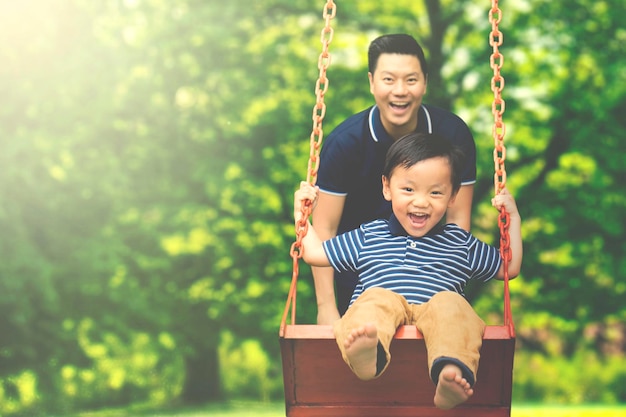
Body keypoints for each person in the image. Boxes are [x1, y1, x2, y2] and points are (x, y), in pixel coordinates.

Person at [294, 132, 522, 410]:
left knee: (452, 305)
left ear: (452, 196)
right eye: (409, 190)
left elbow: (508, 267)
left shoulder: (459, 241)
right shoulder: (371, 235)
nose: (421, 202)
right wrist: (302, 215)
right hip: (382, 316)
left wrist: (513, 220)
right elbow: (316, 254)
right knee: (376, 298)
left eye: (435, 192)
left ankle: (450, 373)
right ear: (387, 188)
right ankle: (367, 354)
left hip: (437, 318)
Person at [313, 33, 477, 324]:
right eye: (388, 79)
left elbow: (458, 220)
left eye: (411, 80)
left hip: (432, 272)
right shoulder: (345, 143)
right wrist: (327, 308)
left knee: (445, 329)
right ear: (372, 82)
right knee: (368, 341)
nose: (400, 91)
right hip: (364, 273)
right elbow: (324, 227)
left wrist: (451, 288)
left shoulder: (452, 135)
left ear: (424, 82)